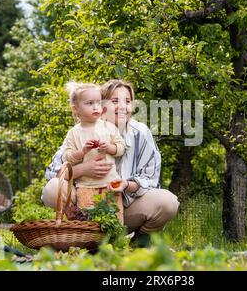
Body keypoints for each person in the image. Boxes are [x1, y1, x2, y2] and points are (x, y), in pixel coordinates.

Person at [42, 79, 180, 247]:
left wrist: (126, 184)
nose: (123, 107)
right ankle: (83, 234)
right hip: (86, 205)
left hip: (124, 209)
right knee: (52, 188)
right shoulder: (81, 131)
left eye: (128, 101)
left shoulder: (141, 133)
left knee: (168, 202)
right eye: (115, 101)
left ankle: (140, 242)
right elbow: (52, 171)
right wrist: (84, 169)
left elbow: (150, 179)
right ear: (102, 105)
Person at [62, 82, 126, 223]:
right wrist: (82, 152)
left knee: (114, 218)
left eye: (98, 102)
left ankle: (116, 243)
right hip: (85, 187)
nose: (96, 106)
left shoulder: (109, 127)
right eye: (90, 103)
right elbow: (68, 156)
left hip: (110, 184)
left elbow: (120, 148)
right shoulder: (74, 133)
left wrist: (109, 148)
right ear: (76, 109)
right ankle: (90, 244)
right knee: (87, 219)